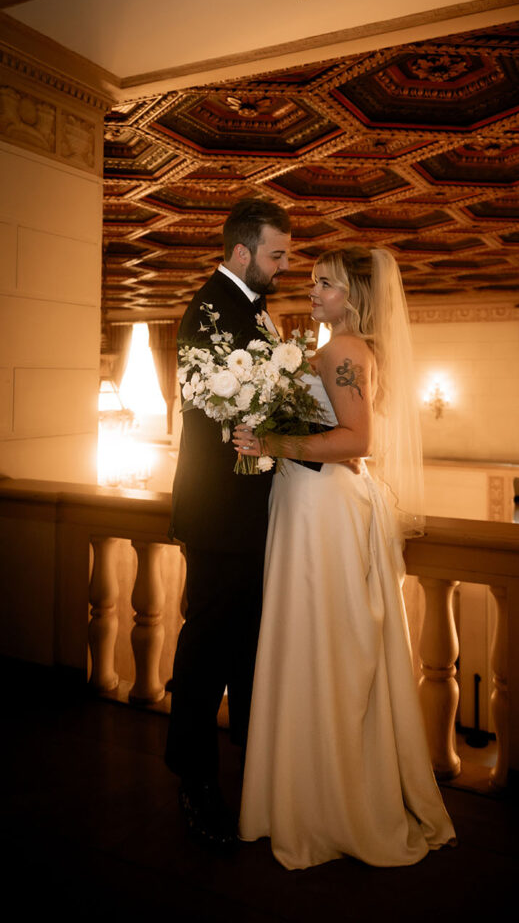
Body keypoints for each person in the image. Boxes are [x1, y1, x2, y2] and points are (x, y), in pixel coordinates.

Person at [232, 246, 456, 869]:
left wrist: (270, 438)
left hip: (321, 507)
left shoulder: (344, 352)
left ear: (353, 296)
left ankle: (317, 803)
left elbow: (357, 439)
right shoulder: (337, 350)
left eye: (325, 284)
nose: (312, 291)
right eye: (311, 281)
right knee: (313, 642)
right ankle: (310, 793)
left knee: (316, 644)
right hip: (309, 501)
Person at [166, 197, 291, 853]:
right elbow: (214, 407)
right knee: (208, 645)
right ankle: (193, 778)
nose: (284, 265)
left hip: (252, 511)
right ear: (242, 252)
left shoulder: (256, 312)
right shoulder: (208, 311)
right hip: (219, 511)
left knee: (246, 646)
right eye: (277, 254)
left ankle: (252, 771)